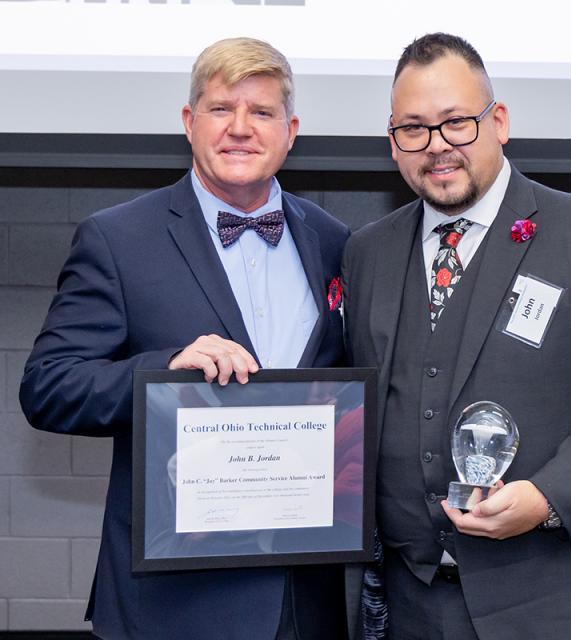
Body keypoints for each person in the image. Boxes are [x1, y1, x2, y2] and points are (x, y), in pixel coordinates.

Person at [341, 32, 571, 640]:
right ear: (393, 142)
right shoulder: (367, 253)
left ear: (498, 121)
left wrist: (549, 496)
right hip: (415, 606)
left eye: (456, 123)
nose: (437, 146)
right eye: (414, 129)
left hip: (557, 604)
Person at [19, 37, 350, 639]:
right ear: (189, 122)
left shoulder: (336, 241)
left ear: (291, 129)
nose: (241, 129)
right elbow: (46, 387)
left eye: (263, 112)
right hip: (172, 603)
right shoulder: (118, 238)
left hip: (304, 602)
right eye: (222, 108)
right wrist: (165, 368)